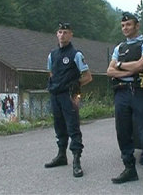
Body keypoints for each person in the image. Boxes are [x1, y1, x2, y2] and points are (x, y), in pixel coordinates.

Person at [106, 12, 143, 191]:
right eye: (123, 26)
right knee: (123, 131)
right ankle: (129, 169)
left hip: (138, 92)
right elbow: (109, 71)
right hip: (121, 93)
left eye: (128, 24)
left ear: (137, 26)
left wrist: (120, 66)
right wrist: (129, 71)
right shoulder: (119, 47)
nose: (125, 28)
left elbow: (141, 65)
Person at [45, 22, 92, 178]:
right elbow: (51, 73)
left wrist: (76, 85)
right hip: (55, 95)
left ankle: (76, 161)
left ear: (71, 34)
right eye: (59, 32)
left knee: (73, 128)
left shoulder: (76, 55)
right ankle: (61, 156)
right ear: (56, 34)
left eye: (65, 32)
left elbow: (88, 77)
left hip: (69, 96)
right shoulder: (52, 55)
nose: (62, 35)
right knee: (59, 126)